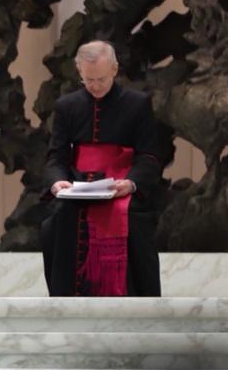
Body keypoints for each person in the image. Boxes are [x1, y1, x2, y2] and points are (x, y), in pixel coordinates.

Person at [40, 41, 161, 296]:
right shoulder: (66, 106)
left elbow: (149, 156)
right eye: (89, 80)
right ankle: (67, 302)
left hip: (121, 186)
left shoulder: (138, 104)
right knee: (57, 220)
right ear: (79, 71)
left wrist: (131, 183)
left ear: (114, 69)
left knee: (134, 222)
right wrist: (57, 182)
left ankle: (132, 303)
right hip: (78, 187)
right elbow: (56, 157)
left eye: (101, 79)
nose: (95, 86)